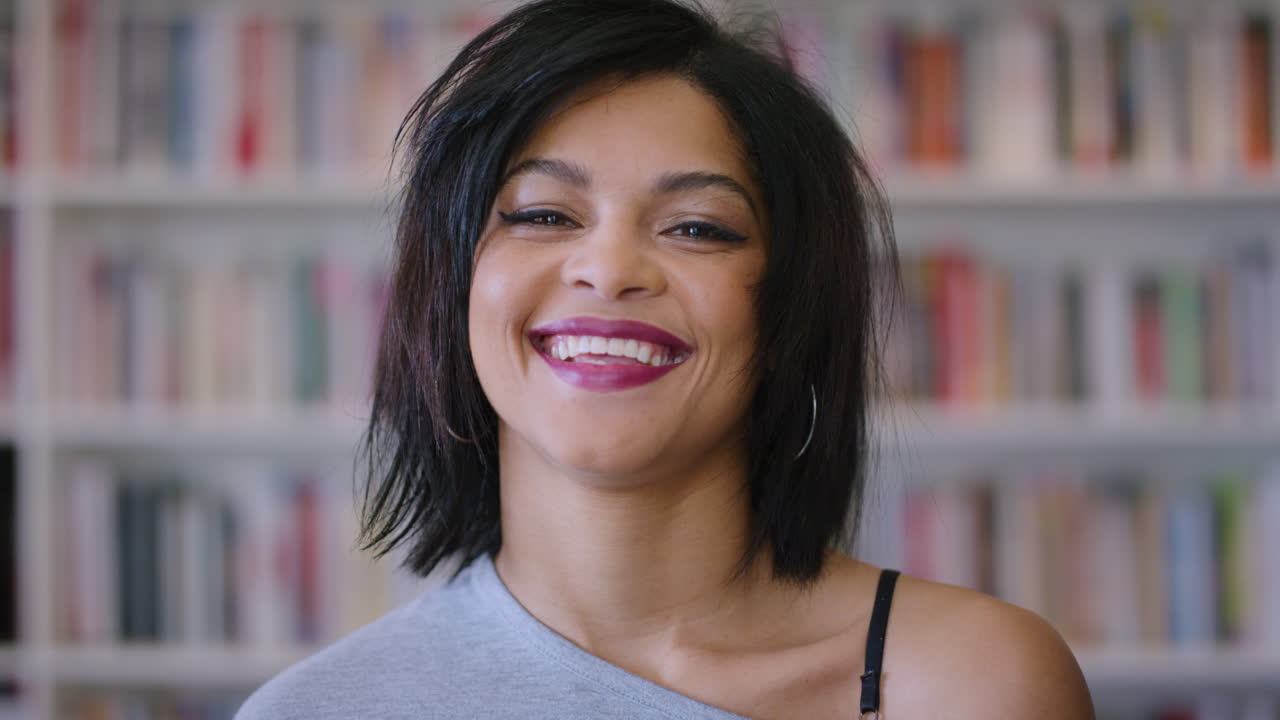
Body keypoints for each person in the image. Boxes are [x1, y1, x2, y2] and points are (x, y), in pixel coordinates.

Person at [236, 0, 1094, 717]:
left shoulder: (975, 684)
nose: (608, 269)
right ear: (452, 286)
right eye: (542, 215)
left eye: (697, 227)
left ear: (788, 309)